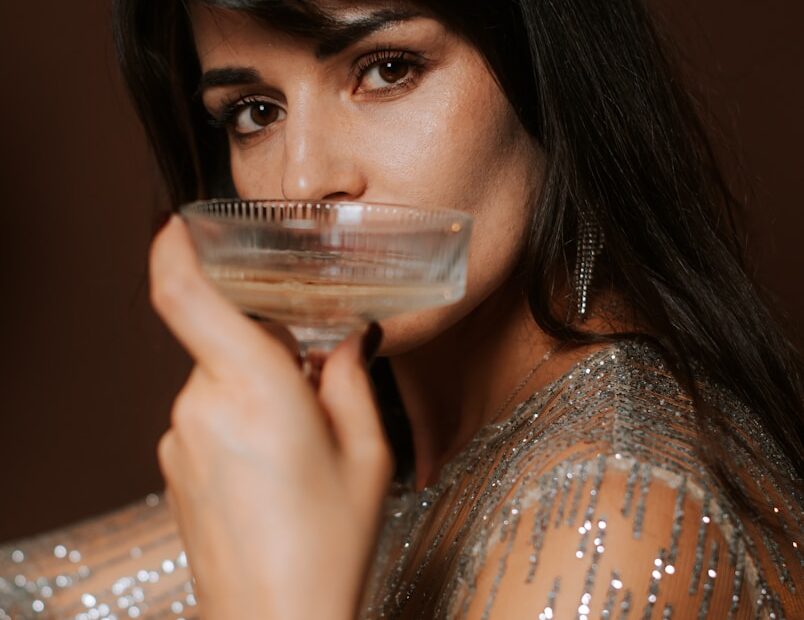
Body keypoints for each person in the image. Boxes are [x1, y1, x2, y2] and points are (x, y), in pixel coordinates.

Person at [1, 0, 801, 617]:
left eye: (386, 68)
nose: (303, 181)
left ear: (547, 67)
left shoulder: (613, 521)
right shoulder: (406, 474)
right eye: (256, 110)